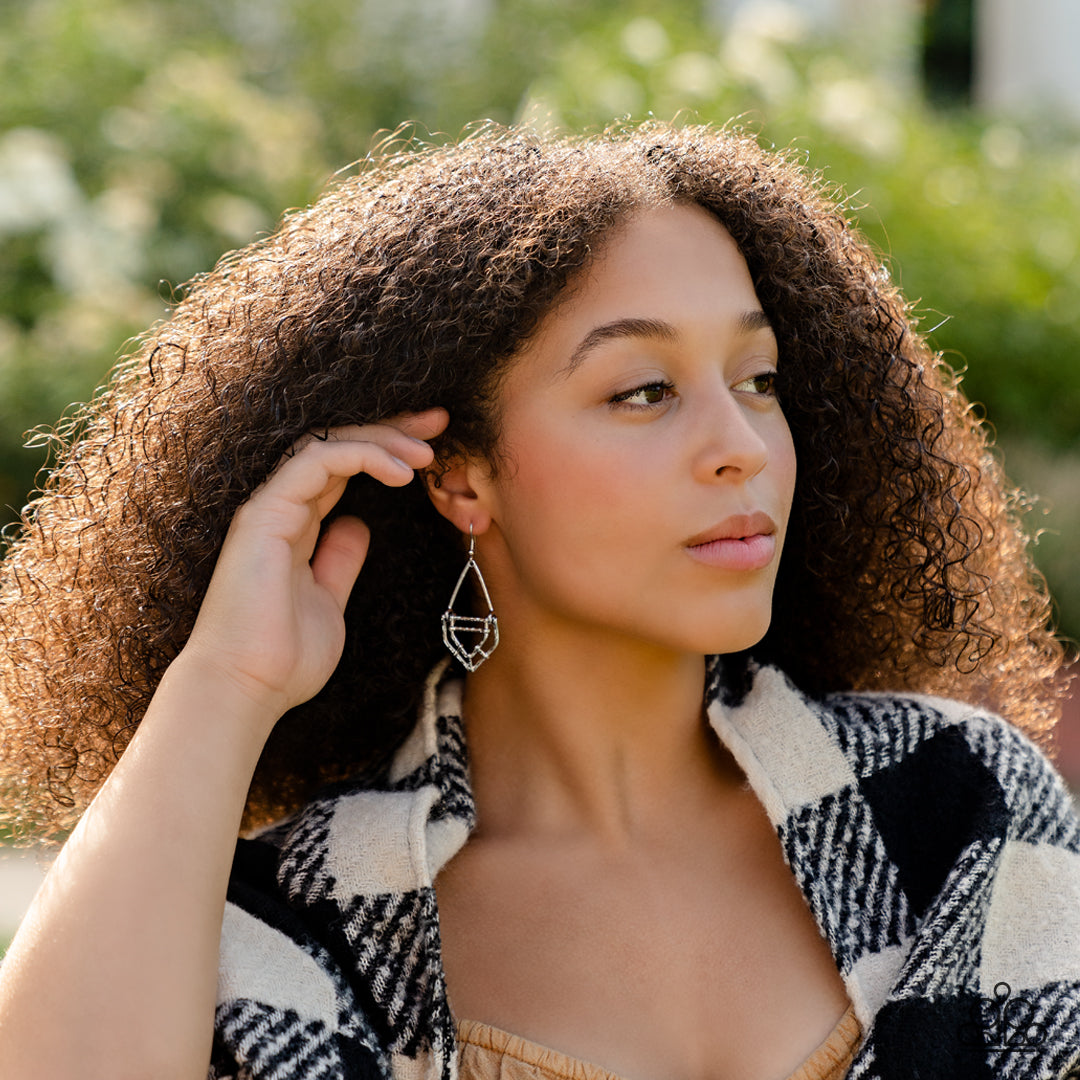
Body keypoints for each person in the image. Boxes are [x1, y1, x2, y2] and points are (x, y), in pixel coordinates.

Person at [0, 121, 1076, 1080]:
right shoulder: (299, 916)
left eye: (757, 380)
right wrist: (223, 683)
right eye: (643, 391)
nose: (743, 449)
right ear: (462, 477)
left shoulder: (956, 804)